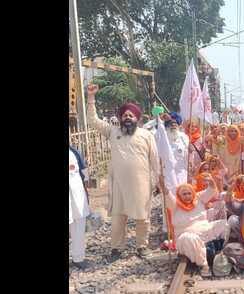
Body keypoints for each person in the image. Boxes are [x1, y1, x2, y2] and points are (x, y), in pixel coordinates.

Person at [86, 84, 160, 260]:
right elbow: (93, 121)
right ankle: (116, 249)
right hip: (118, 185)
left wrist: (155, 182)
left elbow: (154, 160)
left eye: (131, 115)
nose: (127, 117)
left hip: (141, 184)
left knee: (143, 217)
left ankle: (142, 246)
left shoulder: (146, 135)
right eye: (125, 115)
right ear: (120, 118)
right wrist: (90, 98)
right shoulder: (113, 132)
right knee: (118, 218)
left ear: (137, 119)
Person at [159, 174, 229, 277]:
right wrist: (162, 184)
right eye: (184, 194)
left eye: (189, 193)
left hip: (206, 232)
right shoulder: (174, 205)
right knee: (189, 238)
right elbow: (167, 194)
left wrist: (211, 181)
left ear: (193, 193)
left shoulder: (198, 198)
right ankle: (204, 265)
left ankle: (223, 253)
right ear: (179, 195)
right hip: (187, 238)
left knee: (224, 225)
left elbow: (211, 190)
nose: (187, 196)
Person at [69, 145, 91, 269]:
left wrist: (86, 192)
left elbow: (84, 174)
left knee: (79, 224)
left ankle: (78, 257)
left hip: (77, 195)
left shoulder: (74, 152)